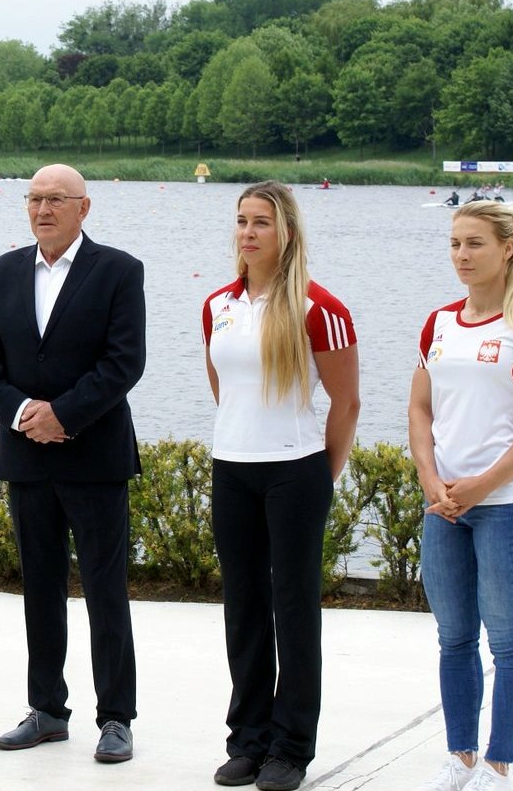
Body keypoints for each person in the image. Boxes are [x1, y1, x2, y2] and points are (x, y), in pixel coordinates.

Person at [0, 163, 145, 765]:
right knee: (39, 589)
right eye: (35, 199)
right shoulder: (2, 272)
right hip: (26, 458)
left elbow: (124, 364)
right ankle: (46, 709)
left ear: (84, 208)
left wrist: (63, 415)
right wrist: (22, 413)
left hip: (94, 456)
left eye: (56, 199)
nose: (43, 209)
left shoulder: (119, 271)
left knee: (104, 590)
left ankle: (116, 716)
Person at [201, 182, 360, 791]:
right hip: (231, 467)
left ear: (286, 232)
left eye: (261, 222)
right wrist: (240, 440)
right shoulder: (218, 303)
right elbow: (225, 388)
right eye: (241, 221)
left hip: (296, 471)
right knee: (243, 607)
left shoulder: (321, 308)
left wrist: (323, 474)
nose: (248, 232)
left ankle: (291, 747)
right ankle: (248, 738)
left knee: (293, 610)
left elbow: (346, 402)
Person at [407, 202, 513, 791]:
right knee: (453, 638)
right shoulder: (439, 323)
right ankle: (461, 758)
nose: (462, 256)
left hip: (505, 508)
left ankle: (500, 765)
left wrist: (480, 487)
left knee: (506, 639)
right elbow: (421, 408)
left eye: (474, 244)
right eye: (454, 243)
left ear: (507, 249)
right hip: (443, 508)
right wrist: (431, 477)